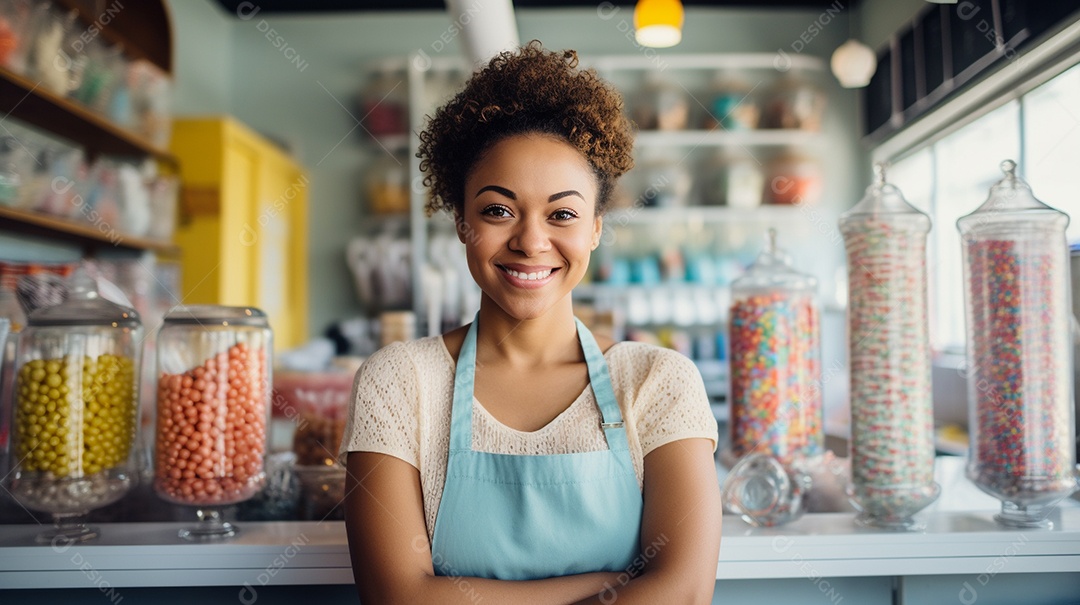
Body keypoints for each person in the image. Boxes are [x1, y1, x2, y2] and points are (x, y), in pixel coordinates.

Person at [342, 41, 722, 604]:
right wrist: (601, 588)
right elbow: (398, 597)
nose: (530, 241)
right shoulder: (399, 381)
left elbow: (683, 592)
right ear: (461, 222)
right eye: (497, 210)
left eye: (562, 213)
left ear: (595, 227)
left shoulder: (658, 382)